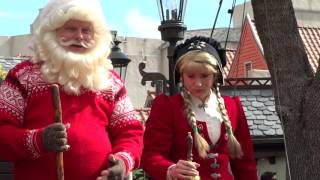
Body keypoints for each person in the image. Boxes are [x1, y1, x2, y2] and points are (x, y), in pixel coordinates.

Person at [0, 0, 143, 180]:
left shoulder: (111, 81)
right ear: (52, 31)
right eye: (70, 29)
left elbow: (130, 132)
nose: (80, 36)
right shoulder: (22, 76)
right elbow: (2, 133)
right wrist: (38, 140)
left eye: (86, 30)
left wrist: (123, 162)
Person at [141, 36, 258, 180]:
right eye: (191, 76)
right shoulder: (166, 107)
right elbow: (151, 156)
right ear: (181, 77)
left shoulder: (233, 106)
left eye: (204, 76)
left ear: (215, 76)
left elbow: (245, 165)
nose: (198, 83)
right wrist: (171, 170)